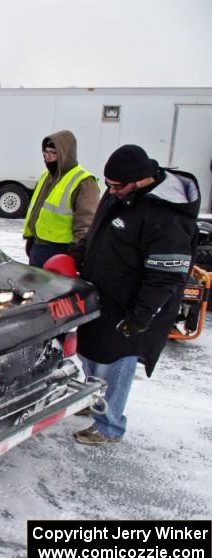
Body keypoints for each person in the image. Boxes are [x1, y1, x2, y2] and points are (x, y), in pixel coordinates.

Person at [72, 144, 200, 445]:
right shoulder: (120, 194)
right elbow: (98, 232)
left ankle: (109, 426)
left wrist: (141, 317)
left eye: (116, 186)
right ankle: (95, 400)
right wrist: (79, 252)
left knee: (116, 364)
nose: (110, 191)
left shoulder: (167, 217)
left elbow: (165, 277)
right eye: (108, 184)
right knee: (90, 354)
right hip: (101, 295)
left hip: (132, 307)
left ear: (141, 180)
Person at [23, 130, 100, 267]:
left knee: (52, 288)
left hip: (61, 249)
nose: (47, 157)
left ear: (65, 154)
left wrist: (77, 251)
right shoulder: (47, 176)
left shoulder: (84, 181)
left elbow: (86, 222)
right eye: (45, 153)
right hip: (38, 245)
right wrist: (31, 236)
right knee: (35, 287)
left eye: (53, 153)